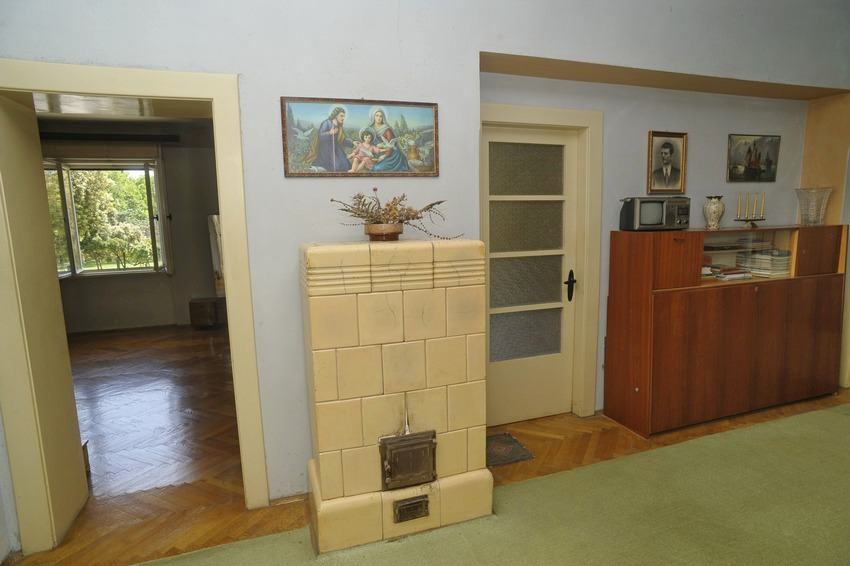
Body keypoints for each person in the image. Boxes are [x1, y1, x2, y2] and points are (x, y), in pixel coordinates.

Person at [304, 106, 351, 171]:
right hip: (326, 148)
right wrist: (329, 133)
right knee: (336, 166)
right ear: (336, 115)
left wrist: (352, 142)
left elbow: (342, 140)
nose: (343, 118)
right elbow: (320, 136)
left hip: (336, 148)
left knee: (346, 165)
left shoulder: (339, 126)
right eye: (341, 116)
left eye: (344, 116)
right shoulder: (326, 123)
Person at [368, 108, 410, 172]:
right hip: (377, 152)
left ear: (383, 118)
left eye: (381, 116)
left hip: (391, 155)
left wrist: (384, 156)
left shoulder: (387, 129)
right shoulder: (370, 128)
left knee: (377, 168)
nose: (378, 118)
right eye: (377, 115)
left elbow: (391, 146)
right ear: (373, 116)